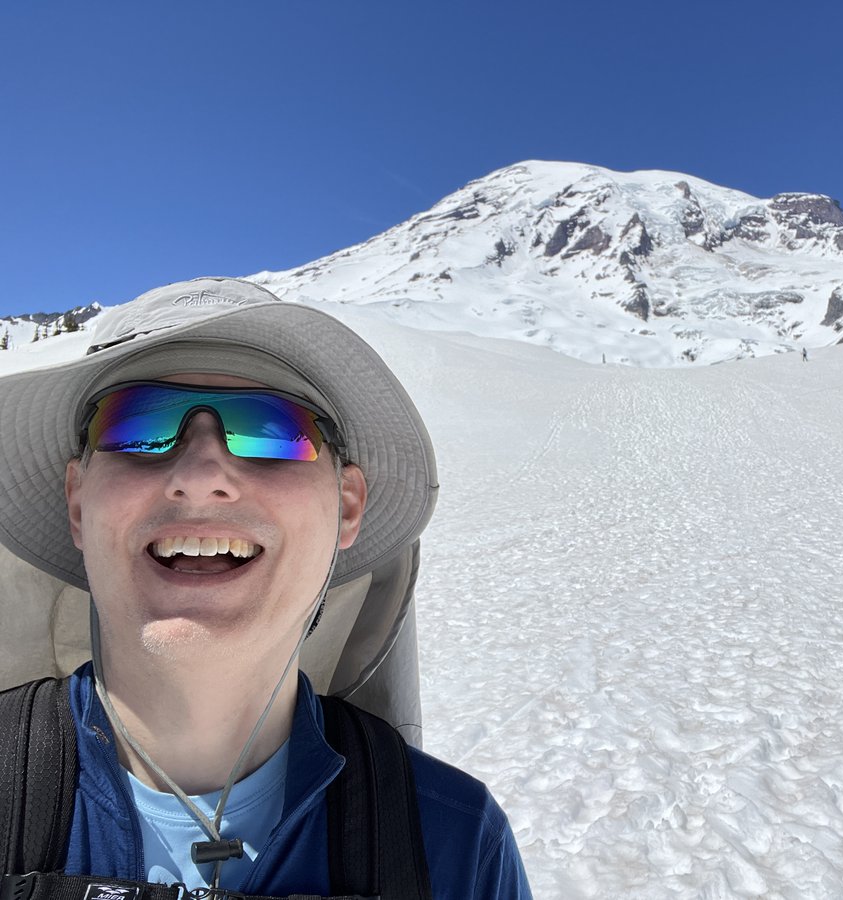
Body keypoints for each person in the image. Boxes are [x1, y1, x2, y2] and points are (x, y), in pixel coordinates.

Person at [0, 278, 532, 899]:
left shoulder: (456, 840)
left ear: (347, 506)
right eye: (135, 425)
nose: (199, 477)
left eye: (272, 427)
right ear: (77, 502)